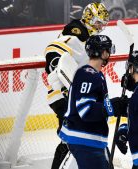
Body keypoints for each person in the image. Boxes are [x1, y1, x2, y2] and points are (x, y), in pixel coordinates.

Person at [44, 2, 109, 169]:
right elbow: (52, 51)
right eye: (97, 22)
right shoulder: (76, 33)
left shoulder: (88, 39)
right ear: (88, 19)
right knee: (71, 139)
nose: (100, 26)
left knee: (77, 138)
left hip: (73, 96)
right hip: (62, 96)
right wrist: (59, 70)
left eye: (103, 23)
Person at [58, 35, 128, 169]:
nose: (109, 54)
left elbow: (102, 106)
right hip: (85, 140)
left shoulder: (95, 74)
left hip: (91, 140)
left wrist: (122, 106)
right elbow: (86, 110)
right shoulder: (87, 75)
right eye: (108, 50)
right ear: (103, 53)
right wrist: (113, 106)